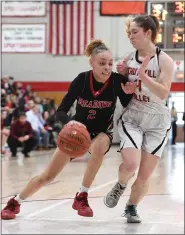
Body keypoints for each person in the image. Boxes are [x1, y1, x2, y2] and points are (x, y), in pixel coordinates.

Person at [1, 39, 137, 220]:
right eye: (102, 63)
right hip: (76, 133)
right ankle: (15, 202)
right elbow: (61, 110)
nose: (107, 67)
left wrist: (130, 85)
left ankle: (82, 196)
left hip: (102, 132)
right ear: (92, 63)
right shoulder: (82, 79)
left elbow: (128, 104)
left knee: (98, 147)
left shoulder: (115, 81)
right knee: (46, 176)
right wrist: (70, 124)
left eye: (110, 63)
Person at [104, 15, 174, 223]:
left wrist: (143, 77)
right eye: (129, 33)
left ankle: (131, 207)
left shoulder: (165, 60)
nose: (130, 36)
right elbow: (124, 90)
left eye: (134, 32)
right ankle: (121, 184)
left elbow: (163, 93)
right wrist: (124, 80)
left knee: (144, 175)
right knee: (131, 163)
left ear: (148, 33)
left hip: (157, 120)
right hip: (133, 115)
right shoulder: (128, 58)